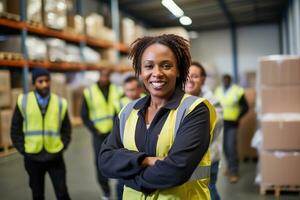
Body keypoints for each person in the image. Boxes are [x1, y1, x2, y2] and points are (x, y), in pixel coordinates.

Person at [99, 34, 217, 200]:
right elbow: (105, 161)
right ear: (140, 71)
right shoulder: (128, 111)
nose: (157, 73)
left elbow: (175, 171)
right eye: (149, 66)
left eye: (166, 66)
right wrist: (146, 160)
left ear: (178, 71)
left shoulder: (194, 110)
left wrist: (127, 176)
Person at [11, 68, 71, 200]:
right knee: (37, 195)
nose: (45, 84)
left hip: (55, 156)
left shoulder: (60, 103)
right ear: (34, 84)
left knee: (62, 193)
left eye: (47, 81)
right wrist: (23, 149)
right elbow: (15, 129)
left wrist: (62, 146)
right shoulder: (24, 101)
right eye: (40, 81)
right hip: (33, 158)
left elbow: (66, 129)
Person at [185, 61, 223, 200]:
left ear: (203, 80)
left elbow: (205, 132)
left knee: (208, 192)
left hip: (207, 159)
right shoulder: (181, 100)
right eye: (187, 75)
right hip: (188, 159)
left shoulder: (212, 102)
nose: (190, 79)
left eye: (195, 76)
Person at [81, 68, 121, 199]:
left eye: (107, 75)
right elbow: (84, 115)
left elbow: (121, 109)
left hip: (114, 134)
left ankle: (121, 188)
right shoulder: (89, 92)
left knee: (119, 160)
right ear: (98, 75)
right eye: (102, 75)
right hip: (98, 135)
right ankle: (106, 192)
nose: (105, 77)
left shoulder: (117, 90)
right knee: (100, 163)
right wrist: (94, 129)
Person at [214, 74, 249, 183]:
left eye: (227, 80)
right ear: (222, 80)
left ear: (230, 80)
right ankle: (229, 167)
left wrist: (238, 117)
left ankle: (234, 172)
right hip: (220, 123)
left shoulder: (237, 91)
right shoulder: (218, 90)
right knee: (224, 147)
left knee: (231, 147)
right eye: (224, 79)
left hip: (232, 124)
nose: (225, 81)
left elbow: (246, 107)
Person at [116, 76, 144, 200]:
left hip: (142, 146)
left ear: (139, 89)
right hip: (124, 147)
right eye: (127, 90)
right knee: (122, 182)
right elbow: (116, 127)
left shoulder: (149, 101)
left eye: (133, 89)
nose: (130, 93)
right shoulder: (120, 103)